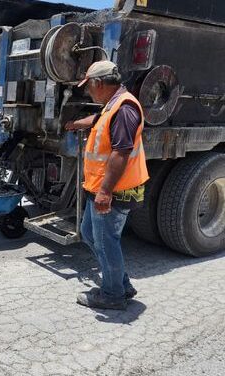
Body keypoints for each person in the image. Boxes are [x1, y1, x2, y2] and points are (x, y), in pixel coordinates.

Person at [65, 60, 149, 310]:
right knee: (90, 233)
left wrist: (104, 191)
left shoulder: (124, 109)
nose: (88, 91)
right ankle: (121, 284)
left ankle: (112, 294)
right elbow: (101, 119)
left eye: (89, 86)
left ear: (99, 83)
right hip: (100, 187)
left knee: (105, 241)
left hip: (114, 190)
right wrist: (80, 123)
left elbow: (120, 153)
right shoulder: (112, 105)